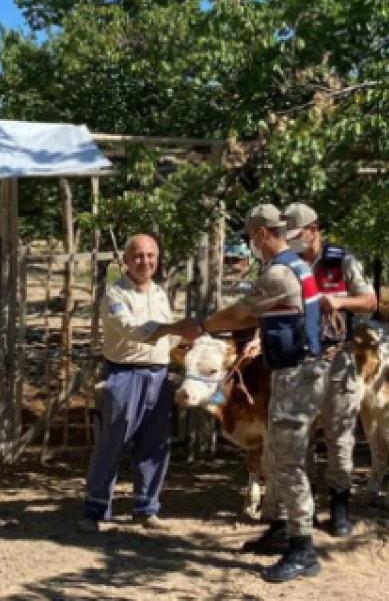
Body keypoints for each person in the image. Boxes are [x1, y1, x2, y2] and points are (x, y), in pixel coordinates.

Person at [173, 204, 329, 583]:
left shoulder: (278, 272)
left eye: (250, 238)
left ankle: (302, 549)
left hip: (295, 374)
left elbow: (241, 315)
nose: (251, 246)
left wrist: (201, 325)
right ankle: (280, 529)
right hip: (298, 370)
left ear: (261, 234)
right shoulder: (297, 264)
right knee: (278, 458)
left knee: (288, 463)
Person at [80, 234, 191, 533]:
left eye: (151, 255)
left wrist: (188, 338)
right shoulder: (115, 295)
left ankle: (146, 507)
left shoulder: (159, 292)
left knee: (155, 445)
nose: (145, 261)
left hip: (158, 376)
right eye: (139, 256)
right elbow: (132, 330)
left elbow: (168, 338)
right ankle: (96, 508)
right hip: (123, 375)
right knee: (111, 443)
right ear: (126, 260)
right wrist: (172, 327)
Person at [284, 202, 379, 538]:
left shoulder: (342, 262)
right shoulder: (287, 264)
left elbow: (370, 302)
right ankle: (302, 510)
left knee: (339, 438)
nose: (294, 242)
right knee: (299, 438)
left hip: (338, 361)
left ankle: (340, 507)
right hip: (299, 363)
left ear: (315, 228)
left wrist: (339, 302)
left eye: (298, 235)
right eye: (288, 236)